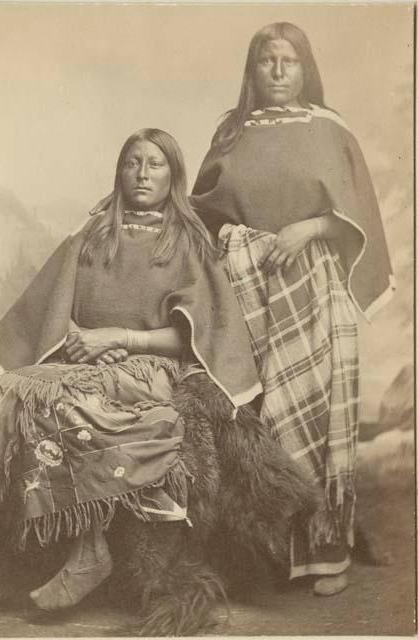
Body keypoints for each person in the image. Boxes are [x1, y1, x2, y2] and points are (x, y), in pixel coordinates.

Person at [0, 128, 261, 612]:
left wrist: (120, 339)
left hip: (151, 363)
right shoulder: (92, 234)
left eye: (155, 163)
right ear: (120, 171)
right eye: (133, 162)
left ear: (174, 175)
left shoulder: (188, 242)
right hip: (84, 355)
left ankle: (87, 552)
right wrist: (82, 340)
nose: (143, 173)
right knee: (11, 395)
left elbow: (193, 337)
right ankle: (75, 547)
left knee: (89, 411)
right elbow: (49, 307)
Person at [191, 22, 394, 596]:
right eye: (266, 61)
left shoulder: (329, 130)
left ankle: (326, 547)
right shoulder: (231, 132)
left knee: (317, 404)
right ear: (251, 71)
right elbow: (202, 213)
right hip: (248, 289)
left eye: (290, 60)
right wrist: (237, 242)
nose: (278, 71)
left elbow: (355, 213)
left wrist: (306, 228)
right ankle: (268, 550)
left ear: (307, 69)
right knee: (259, 414)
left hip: (314, 281)